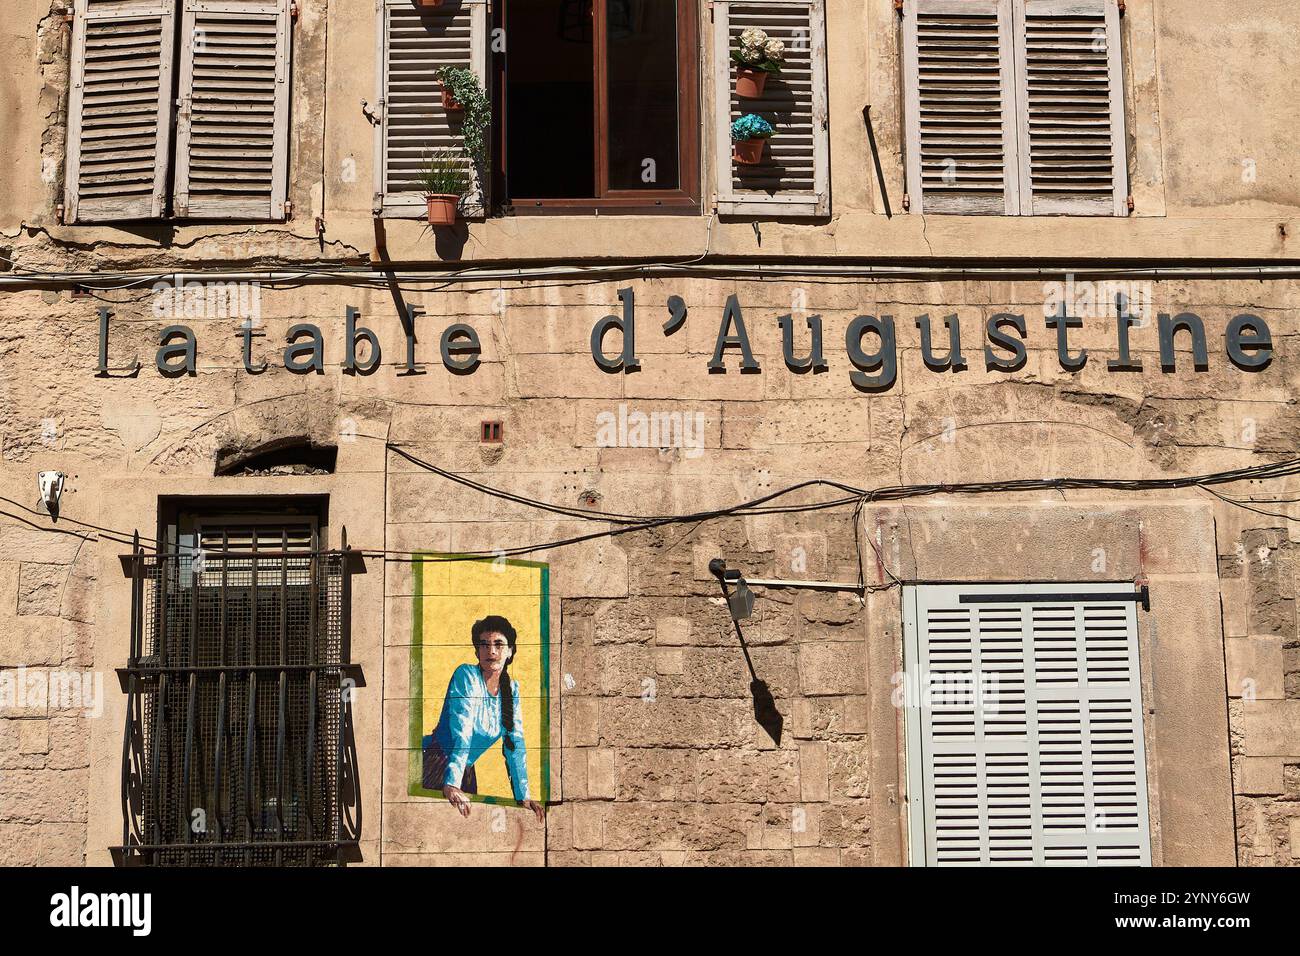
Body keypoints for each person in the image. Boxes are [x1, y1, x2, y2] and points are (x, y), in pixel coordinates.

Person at [422, 614, 545, 823]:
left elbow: (514, 744)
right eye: (484, 645)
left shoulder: (511, 690)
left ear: (510, 651)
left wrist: (523, 796)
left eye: (498, 644)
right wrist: (451, 784)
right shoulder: (466, 676)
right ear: (477, 651)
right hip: (434, 763)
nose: (492, 651)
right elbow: (463, 732)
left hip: (466, 771)